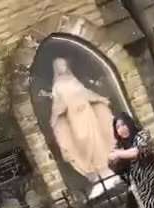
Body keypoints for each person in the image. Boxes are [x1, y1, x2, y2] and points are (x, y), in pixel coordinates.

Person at [39, 58, 120, 198]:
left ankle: (107, 170)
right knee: (84, 143)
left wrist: (100, 99)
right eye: (60, 65)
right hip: (75, 119)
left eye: (64, 64)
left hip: (89, 114)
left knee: (97, 140)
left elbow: (86, 93)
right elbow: (59, 104)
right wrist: (55, 116)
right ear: (56, 68)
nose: (63, 67)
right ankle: (97, 174)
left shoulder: (73, 79)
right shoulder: (57, 86)